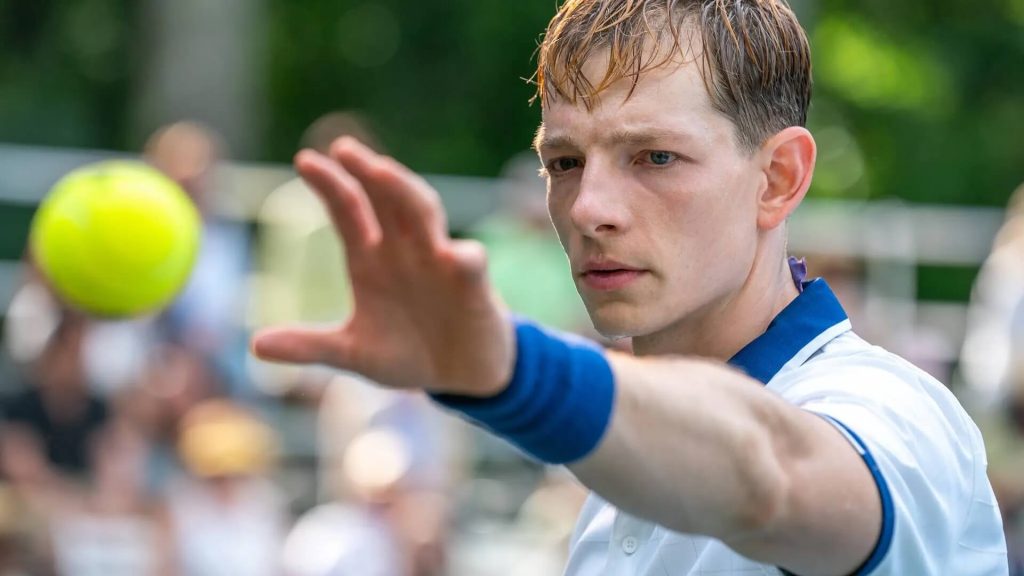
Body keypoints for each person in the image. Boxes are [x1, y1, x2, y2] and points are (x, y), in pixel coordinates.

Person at [252, 0, 1008, 574]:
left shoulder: (896, 412)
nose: (588, 209)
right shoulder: (617, 478)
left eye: (654, 158)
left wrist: (511, 371)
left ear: (778, 179)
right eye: (565, 162)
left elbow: (770, 476)